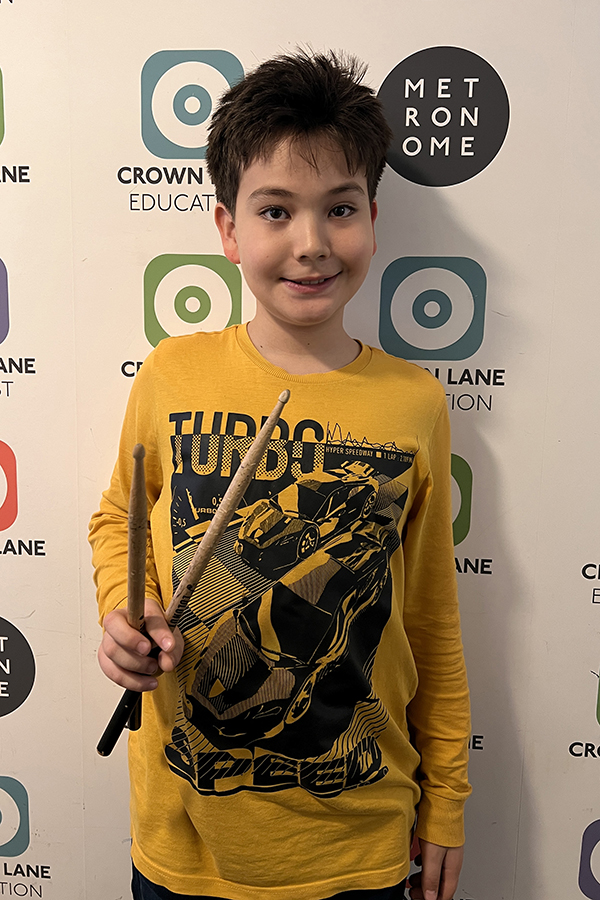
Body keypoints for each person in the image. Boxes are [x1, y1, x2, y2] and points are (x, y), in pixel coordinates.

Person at [90, 50, 471, 900]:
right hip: (185, 849)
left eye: (339, 208)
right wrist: (128, 606)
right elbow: (119, 518)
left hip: (359, 844)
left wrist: (446, 796)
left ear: (372, 217)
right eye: (275, 211)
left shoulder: (413, 402)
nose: (311, 244)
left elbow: (431, 620)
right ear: (229, 230)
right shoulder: (172, 374)